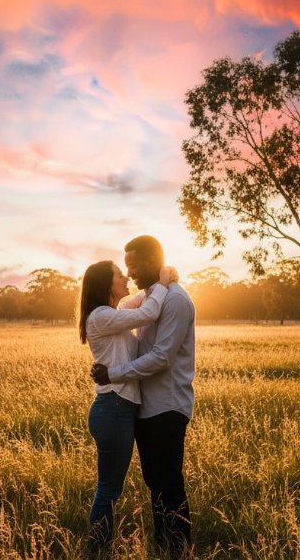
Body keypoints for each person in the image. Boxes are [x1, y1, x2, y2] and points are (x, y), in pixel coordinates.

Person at [91, 235, 196, 557]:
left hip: (167, 404)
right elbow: (132, 311)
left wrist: (114, 373)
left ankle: (178, 548)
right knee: (155, 481)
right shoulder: (153, 297)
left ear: (153, 262)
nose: (130, 272)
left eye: (134, 265)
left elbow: (162, 357)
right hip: (145, 407)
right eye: (125, 268)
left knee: (168, 481)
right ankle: (164, 545)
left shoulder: (175, 300)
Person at [79, 259, 175, 556]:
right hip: (113, 408)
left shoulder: (112, 313)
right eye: (119, 275)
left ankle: (98, 549)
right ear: (107, 284)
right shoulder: (101, 316)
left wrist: (155, 285)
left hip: (118, 409)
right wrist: (162, 283)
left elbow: (140, 300)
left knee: (110, 489)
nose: (126, 277)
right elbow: (149, 311)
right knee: (109, 489)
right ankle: (96, 550)